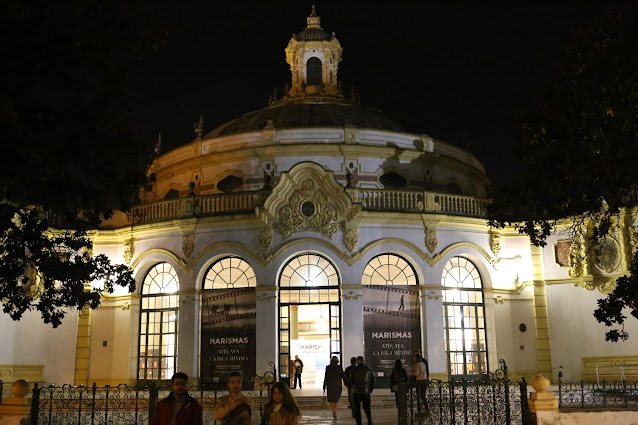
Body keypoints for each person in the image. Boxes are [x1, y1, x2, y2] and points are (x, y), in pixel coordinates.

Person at [350, 355, 374, 425]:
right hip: (366, 391)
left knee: (357, 408)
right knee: (367, 407)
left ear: (357, 361)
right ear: (363, 361)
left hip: (356, 392)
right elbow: (372, 381)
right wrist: (370, 390)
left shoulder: (354, 370)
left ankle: (359, 422)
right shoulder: (369, 370)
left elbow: (351, 381)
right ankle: (369, 420)